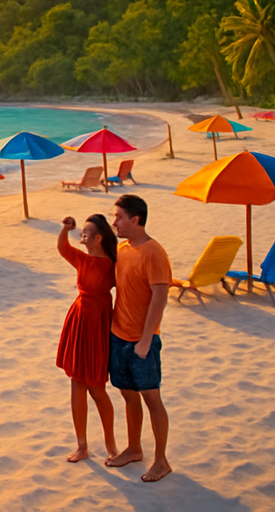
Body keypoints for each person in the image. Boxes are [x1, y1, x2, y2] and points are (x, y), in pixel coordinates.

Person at [105, 194, 173, 482]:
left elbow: (160, 298)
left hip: (142, 341)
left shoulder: (154, 253)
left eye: (119, 217)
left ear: (136, 219)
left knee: (151, 398)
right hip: (118, 336)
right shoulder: (123, 249)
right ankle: (134, 448)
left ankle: (161, 461)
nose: (115, 222)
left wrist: (145, 341)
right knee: (128, 395)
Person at [56, 214, 118, 464]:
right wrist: (65, 228)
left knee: (97, 388)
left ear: (98, 237)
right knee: (77, 383)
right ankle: (82, 445)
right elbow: (62, 247)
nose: (81, 236)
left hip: (99, 321)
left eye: (85, 232)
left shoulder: (115, 263)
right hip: (79, 318)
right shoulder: (82, 259)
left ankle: (110, 443)